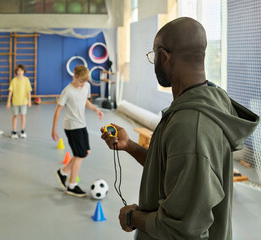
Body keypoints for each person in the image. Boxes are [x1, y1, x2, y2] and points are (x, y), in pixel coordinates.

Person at [101, 17, 259, 240]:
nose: (154, 61)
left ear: (164, 56)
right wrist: (130, 146)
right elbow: (172, 170)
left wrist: (131, 217)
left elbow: (182, 229)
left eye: (153, 55)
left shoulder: (191, 126)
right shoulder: (210, 100)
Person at [52, 65, 104, 197]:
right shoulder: (67, 91)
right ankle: (72, 185)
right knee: (79, 155)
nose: (82, 84)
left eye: (85, 81)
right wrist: (54, 129)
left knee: (85, 152)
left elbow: (85, 101)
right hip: (71, 126)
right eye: (80, 81)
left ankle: (63, 172)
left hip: (82, 124)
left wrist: (96, 109)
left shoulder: (86, 86)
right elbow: (58, 109)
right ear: (74, 77)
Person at [6, 64, 32, 139]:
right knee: (15, 116)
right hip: (15, 102)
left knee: (23, 116)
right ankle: (14, 130)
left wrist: (29, 101)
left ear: (24, 71)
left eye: (21, 70)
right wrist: (8, 102)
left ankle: (22, 130)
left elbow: (28, 91)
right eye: (18, 70)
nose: (20, 72)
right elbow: (10, 91)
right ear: (16, 72)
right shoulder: (14, 80)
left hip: (24, 101)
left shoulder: (26, 80)